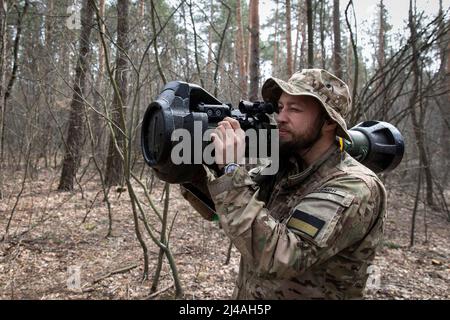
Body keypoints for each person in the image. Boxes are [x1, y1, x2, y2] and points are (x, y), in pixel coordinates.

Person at [180, 69, 387, 299]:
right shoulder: (284, 169)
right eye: (280, 107)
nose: (281, 117)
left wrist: (231, 169)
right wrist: (191, 171)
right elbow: (221, 211)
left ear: (329, 123)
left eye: (295, 109)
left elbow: (281, 256)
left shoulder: (353, 186)